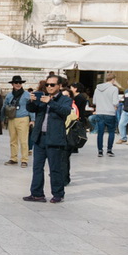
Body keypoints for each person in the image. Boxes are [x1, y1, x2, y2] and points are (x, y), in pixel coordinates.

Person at [24, 75, 72, 204]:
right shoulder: (42, 97)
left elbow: (65, 111)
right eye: (47, 85)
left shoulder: (65, 99)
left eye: (52, 85)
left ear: (59, 86)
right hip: (40, 137)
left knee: (55, 168)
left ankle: (58, 194)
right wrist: (32, 101)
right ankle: (36, 194)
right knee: (37, 167)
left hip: (55, 138)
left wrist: (50, 102)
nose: (49, 87)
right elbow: (31, 109)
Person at [3, 75, 32, 168]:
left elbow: (31, 107)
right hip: (12, 118)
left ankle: (24, 160)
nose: (18, 84)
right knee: (13, 140)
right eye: (16, 83)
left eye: (20, 83)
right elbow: (5, 106)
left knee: (23, 140)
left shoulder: (27, 95)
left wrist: (33, 119)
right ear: (12, 84)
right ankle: (13, 158)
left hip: (23, 118)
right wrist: (2, 118)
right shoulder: (9, 95)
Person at [92, 73, 120, 157]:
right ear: (113, 79)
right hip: (110, 112)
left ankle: (100, 151)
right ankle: (109, 150)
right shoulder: (114, 89)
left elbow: (94, 101)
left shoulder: (97, 88)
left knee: (100, 132)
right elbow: (115, 102)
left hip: (100, 112)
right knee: (111, 132)